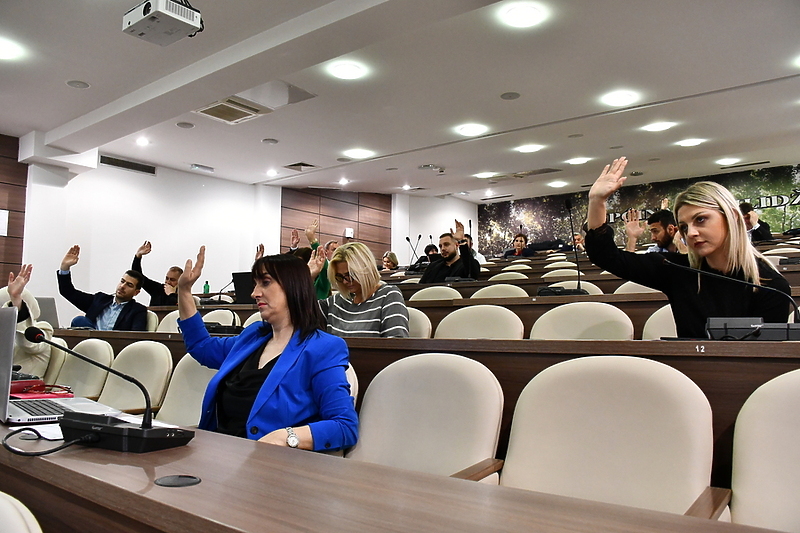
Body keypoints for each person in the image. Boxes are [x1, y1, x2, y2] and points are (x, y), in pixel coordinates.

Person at [585, 157, 790, 338]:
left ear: (732, 218)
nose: (690, 233)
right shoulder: (678, 271)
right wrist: (596, 201)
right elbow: (606, 256)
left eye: (700, 219)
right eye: (684, 226)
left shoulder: (771, 286)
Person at [176, 246, 358, 450]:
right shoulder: (252, 336)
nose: (254, 293)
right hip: (220, 455)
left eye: (265, 283)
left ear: (292, 287)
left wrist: (285, 437)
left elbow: (344, 426)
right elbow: (202, 347)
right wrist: (184, 292)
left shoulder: (323, 348)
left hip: (270, 466)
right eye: (255, 284)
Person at [317, 242, 409, 338]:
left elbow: (396, 343)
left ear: (365, 269)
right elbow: (302, 315)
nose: (345, 282)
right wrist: (309, 276)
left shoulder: (389, 295)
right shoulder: (338, 300)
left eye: (350, 275)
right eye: (339, 277)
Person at [57, 245, 148, 331]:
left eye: (129, 285)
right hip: (91, 342)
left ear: (136, 292)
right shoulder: (100, 299)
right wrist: (65, 268)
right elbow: (68, 292)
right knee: (79, 320)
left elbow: (136, 336)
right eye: (122, 281)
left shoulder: (138, 310)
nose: (122, 286)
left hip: (115, 344)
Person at [0, 265, 54, 377]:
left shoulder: (42, 330)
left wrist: (15, 299)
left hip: (25, 389)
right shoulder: (4, 332)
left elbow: (29, 345)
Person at [131, 241, 183, 306]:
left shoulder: (184, 296)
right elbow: (137, 276)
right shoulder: (158, 289)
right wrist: (138, 256)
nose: (168, 282)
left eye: (172, 280)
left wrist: (171, 294)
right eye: (167, 278)